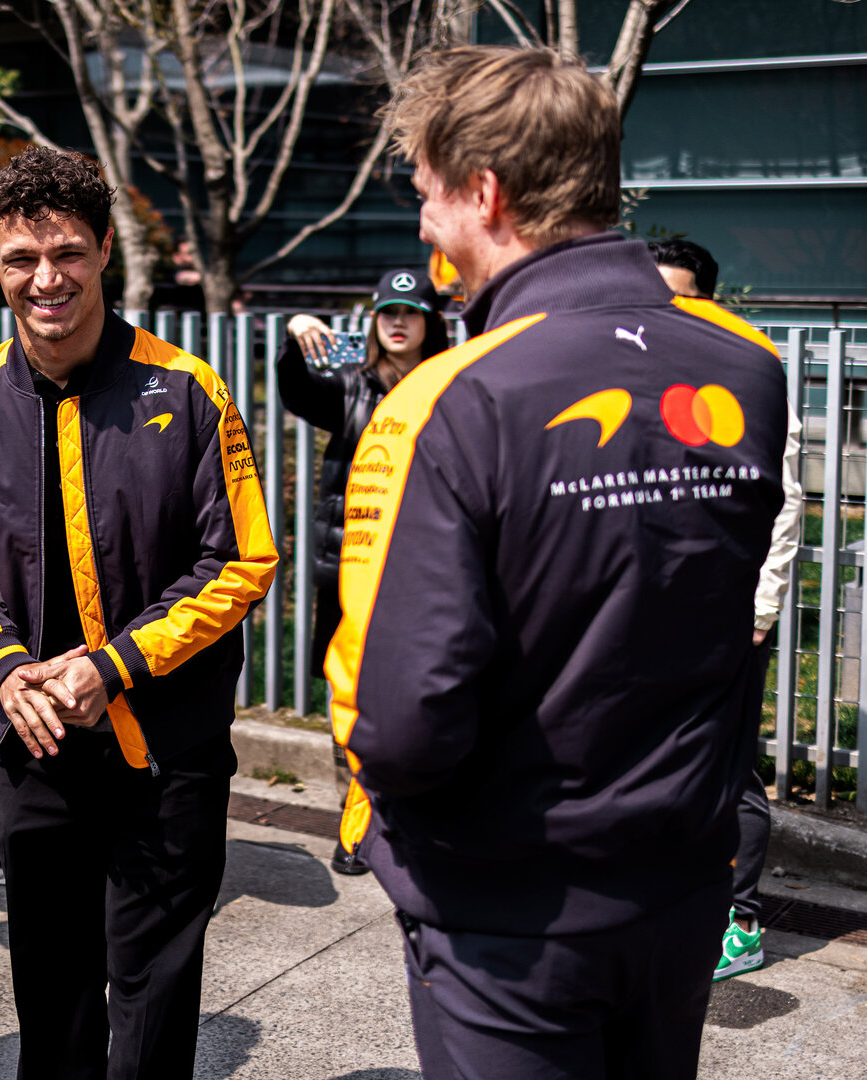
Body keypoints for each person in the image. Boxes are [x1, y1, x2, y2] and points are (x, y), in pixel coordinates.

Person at [327, 47, 788, 1079]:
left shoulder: (448, 401)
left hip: (509, 914)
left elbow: (401, 724)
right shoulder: (748, 365)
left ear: (485, 194)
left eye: (428, 194)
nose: (423, 226)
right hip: (682, 882)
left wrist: (394, 832)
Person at [0, 146, 277, 1079]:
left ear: (105, 248)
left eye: (68, 251)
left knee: (153, 993)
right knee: (51, 990)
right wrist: (6, 669)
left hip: (165, 742)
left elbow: (241, 560)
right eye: (22, 258)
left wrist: (110, 665)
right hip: (31, 740)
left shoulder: (188, 389)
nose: (48, 278)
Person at [650, 238, 806, 981]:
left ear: (708, 300)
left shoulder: (749, 372)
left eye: (680, 297)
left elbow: (787, 501)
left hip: (730, 610)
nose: (665, 311)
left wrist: (761, 604)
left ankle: (740, 922)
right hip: (654, 608)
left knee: (730, 768)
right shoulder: (639, 371)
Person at [277, 268, 448, 875]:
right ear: (375, 323)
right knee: (349, 699)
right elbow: (297, 391)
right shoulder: (350, 387)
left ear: (430, 323)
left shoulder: (447, 384)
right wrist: (295, 333)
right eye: (388, 312)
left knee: (417, 698)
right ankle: (356, 826)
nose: (398, 322)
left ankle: (404, 819)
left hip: (424, 571)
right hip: (352, 572)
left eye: (411, 312)